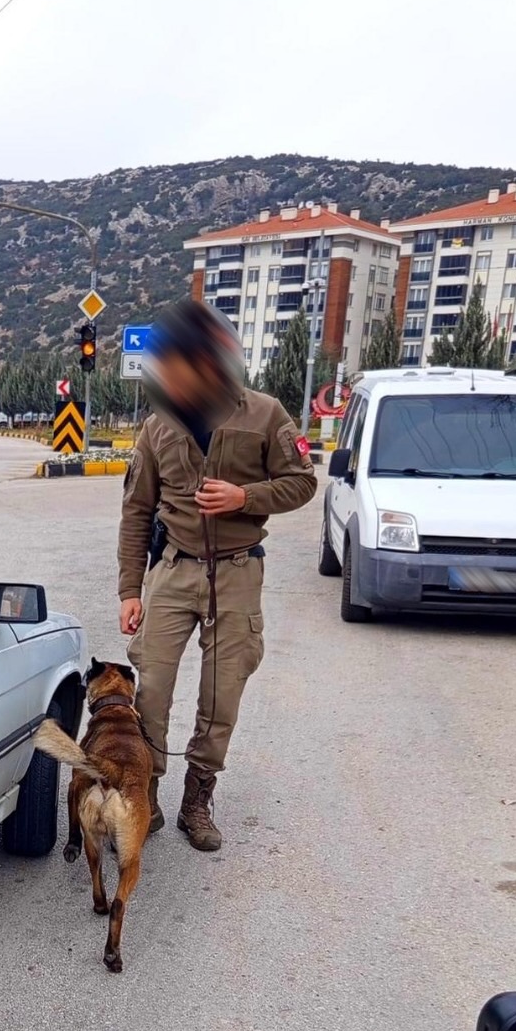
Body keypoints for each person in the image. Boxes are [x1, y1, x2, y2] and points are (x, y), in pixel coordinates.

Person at [118, 300, 316, 852]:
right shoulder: (158, 425)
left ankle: (197, 797)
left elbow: (302, 482)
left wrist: (244, 496)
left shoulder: (266, 413)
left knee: (221, 692)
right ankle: (147, 792)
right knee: (151, 687)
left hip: (236, 571)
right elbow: (136, 510)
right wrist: (130, 590)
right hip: (174, 569)